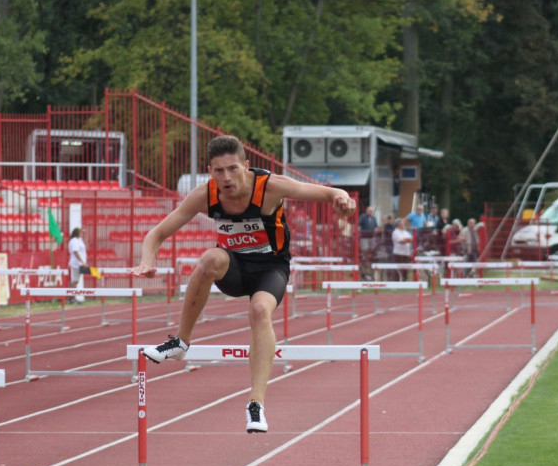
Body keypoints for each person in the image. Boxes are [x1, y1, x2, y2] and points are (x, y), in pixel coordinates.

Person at [133, 134, 355, 434]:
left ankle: (256, 404)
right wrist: (147, 261)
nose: (226, 178)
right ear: (209, 171)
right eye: (218, 171)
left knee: (260, 310)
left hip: (270, 269)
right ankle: (181, 342)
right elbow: (156, 234)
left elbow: (329, 193)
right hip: (234, 269)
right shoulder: (204, 195)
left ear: (247, 166)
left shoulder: (271, 187)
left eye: (233, 169)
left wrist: (342, 198)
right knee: (210, 258)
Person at [68, 226, 88, 302]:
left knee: (76, 280)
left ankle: (72, 296)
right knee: (74, 280)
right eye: (80, 233)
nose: (81, 234)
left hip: (79, 263)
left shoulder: (79, 240)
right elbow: (76, 252)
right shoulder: (74, 241)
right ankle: (72, 297)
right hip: (75, 263)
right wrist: (82, 262)